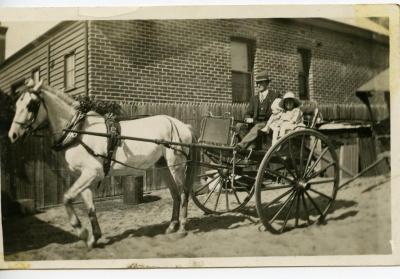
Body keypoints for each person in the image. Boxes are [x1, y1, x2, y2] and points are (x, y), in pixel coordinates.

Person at [236, 71, 280, 149]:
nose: (258, 85)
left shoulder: (275, 96)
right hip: (254, 123)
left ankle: (242, 144)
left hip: (268, 124)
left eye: (260, 82)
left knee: (258, 126)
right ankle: (251, 145)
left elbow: (280, 109)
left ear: (266, 83)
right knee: (239, 126)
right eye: (257, 83)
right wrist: (248, 118)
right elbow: (248, 112)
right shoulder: (254, 98)